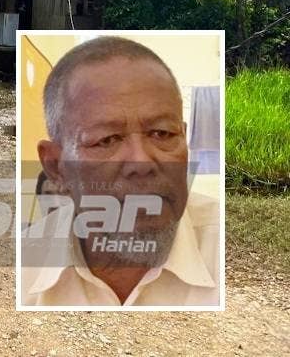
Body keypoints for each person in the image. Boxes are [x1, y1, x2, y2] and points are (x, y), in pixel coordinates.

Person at [21, 36, 219, 307]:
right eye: (107, 140)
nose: (141, 162)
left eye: (162, 133)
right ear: (56, 167)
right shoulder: (21, 271)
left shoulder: (228, 253)